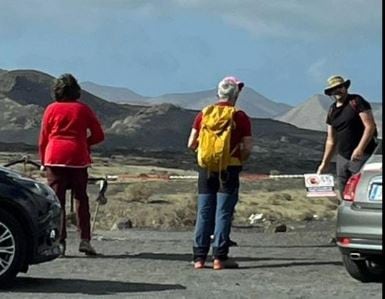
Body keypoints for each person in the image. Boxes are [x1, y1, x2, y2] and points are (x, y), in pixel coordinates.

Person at [187, 76, 253, 270]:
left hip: (206, 168)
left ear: (218, 93)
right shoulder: (239, 116)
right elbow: (248, 146)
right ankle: (219, 257)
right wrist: (240, 158)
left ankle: (199, 258)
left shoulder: (204, 113)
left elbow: (191, 143)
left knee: (204, 211)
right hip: (230, 167)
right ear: (236, 95)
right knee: (223, 212)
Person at [39, 73, 105, 256]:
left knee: (56, 201)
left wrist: (43, 160)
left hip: (54, 157)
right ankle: (85, 239)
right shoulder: (83, 109)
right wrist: (84, 143)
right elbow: (99, 135)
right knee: (81, 199)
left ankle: (60, 241)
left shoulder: (50, 109)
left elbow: (43, 139)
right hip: (77, 157)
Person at [316, 75, 377, 201]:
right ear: (331, 92)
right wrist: (324, 163)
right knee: (344, 192)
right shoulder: (332, 110)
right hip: (343, 157)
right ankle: (347, 216)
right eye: (334, 89)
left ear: (345, 87)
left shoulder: (356, 101)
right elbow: (331, 140)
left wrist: (360, 148)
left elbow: (369, 126)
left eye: (340, 87)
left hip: (362, 155)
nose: (337, 91)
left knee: (361, 190)